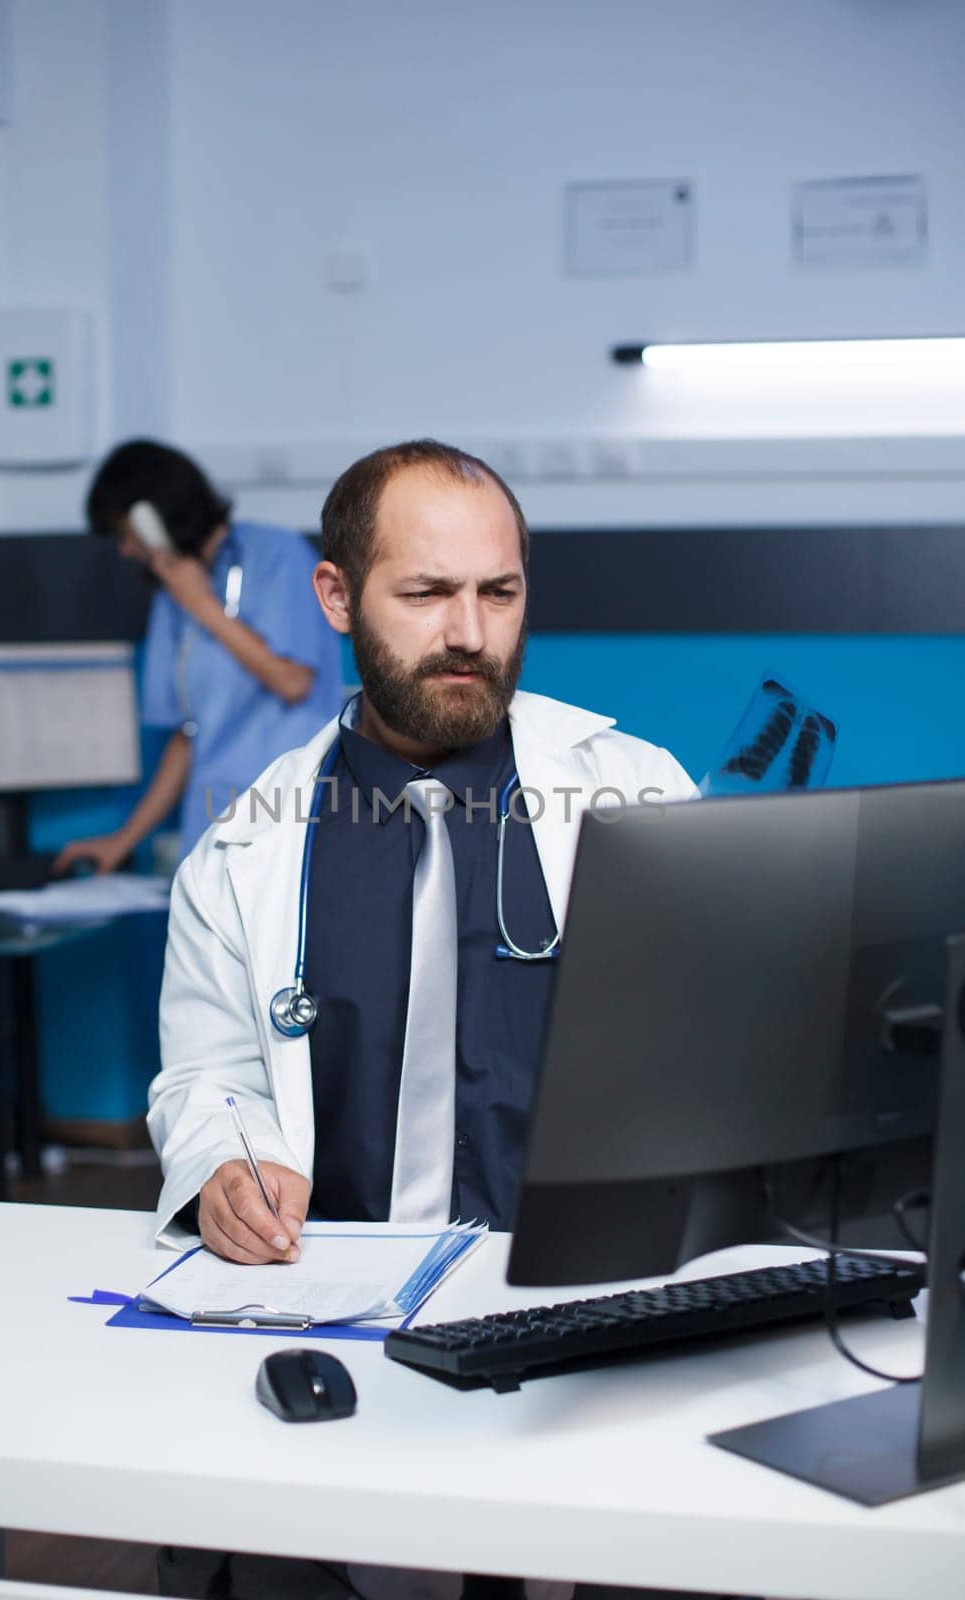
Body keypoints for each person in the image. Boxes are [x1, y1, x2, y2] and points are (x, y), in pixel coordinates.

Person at [147, 440, 698, 1600]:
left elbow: (716, 1055)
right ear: (337, 596)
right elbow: (206, 1079)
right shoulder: (243, 850)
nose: (468, 632)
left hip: (580, 1314)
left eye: (498, 593)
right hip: (347, 1320)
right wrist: (222, 1164)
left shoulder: (637, 795)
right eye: (426, 593)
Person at [53, 439, 343, 873]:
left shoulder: (276, 557)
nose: (126, 549)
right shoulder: (172, 599)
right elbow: (187, 734)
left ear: (151, 517)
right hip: (209, 830)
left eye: (125, 532)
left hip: (286, 824)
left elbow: (293, 681)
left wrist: (202, 605)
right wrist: (125, 839)